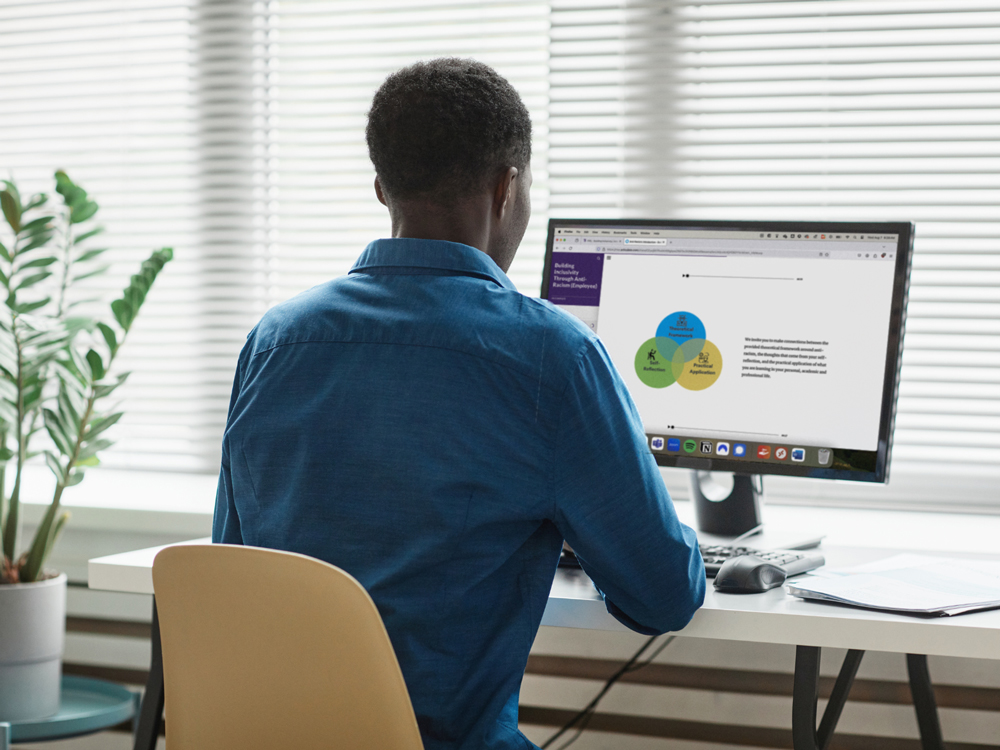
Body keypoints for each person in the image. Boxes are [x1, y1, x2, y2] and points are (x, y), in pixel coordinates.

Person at [213, 58, 704, 750]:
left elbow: (232, 564)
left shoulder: (275, 341)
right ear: (507, 188)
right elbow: (662, 597)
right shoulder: (552, 359)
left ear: (382, 187)